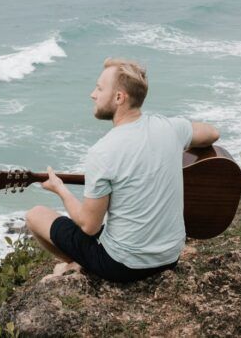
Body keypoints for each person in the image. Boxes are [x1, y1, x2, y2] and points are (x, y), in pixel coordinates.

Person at [25, 58, 220, 282]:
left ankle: (74, 262)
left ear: (119, 97)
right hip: (169, 256)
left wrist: (60, 189)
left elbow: (89, 226)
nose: (93, 94)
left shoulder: (103, 152)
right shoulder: (169, 127)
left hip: (123, 266)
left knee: (35, 215)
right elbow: (211, 133)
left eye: (99, 88)